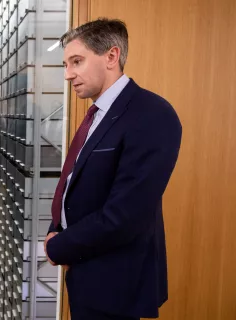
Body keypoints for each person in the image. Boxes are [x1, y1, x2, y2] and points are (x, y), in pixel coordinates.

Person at [43, 18, 182, 320]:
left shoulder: (152, 115)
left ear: (111, 56)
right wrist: (57, 229)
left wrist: (60, 246)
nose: (69, 75)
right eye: (66, 65)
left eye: (76, 62)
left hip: (116, 285)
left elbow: (125, 215)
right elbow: (76, 182)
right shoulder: (97, 115)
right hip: (85, 273)